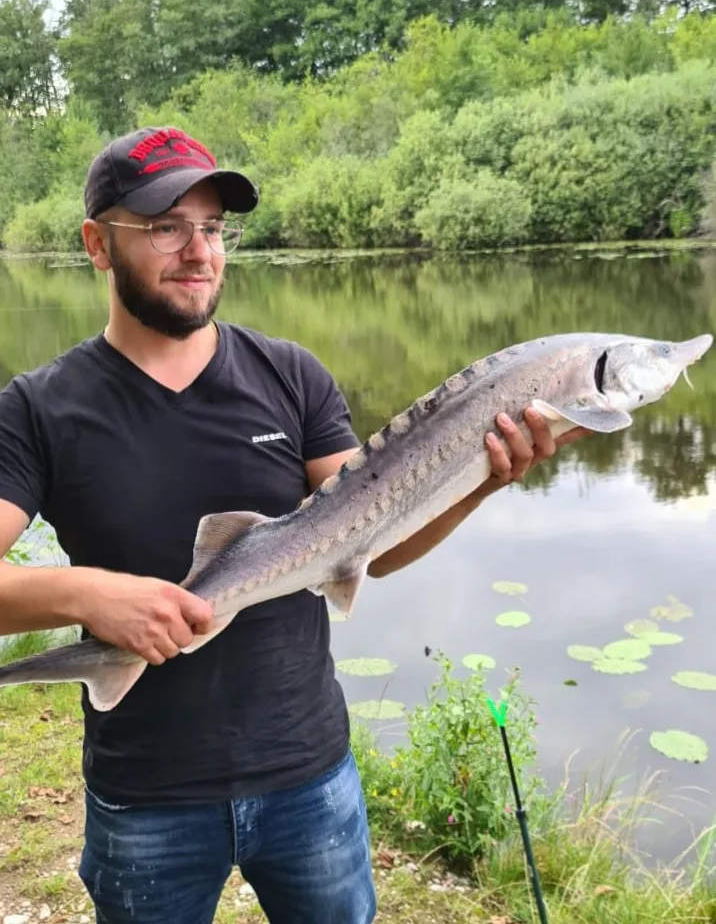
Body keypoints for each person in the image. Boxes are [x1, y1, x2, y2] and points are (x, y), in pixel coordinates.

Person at [0, 127, 588, 924]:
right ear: (97, 244)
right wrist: (87, 595)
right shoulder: (36, 409)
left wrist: (480, 479)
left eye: (212, 227)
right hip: (147, 794)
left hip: (310, 774)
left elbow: (371, 547)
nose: (198, 250)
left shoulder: (292, 374)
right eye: (165, 226)